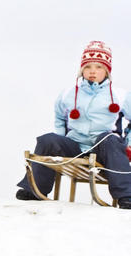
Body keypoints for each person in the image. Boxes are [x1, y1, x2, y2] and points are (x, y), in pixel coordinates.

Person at [16, 40, 131, 208]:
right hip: (75, 146)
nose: (92, 71)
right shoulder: (68, 94)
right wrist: (61, 139)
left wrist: (127, 143)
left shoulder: (121, 96)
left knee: (110, 140)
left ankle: (126, 196)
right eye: (88, 67)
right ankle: (35, 189)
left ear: (106, 70)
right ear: (81, 69)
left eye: (98, 67)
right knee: (48, 140)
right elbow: (60, 117)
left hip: (104, 148)